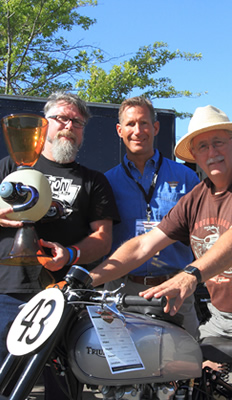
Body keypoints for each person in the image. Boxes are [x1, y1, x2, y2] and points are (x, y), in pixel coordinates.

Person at [90, 105, 232, 399]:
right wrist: (87, 279)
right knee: (185, 386)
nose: (212, 152)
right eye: (202, 146)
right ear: (195, 155)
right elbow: (144, 244)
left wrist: (190, 274)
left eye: (218, 142)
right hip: (222, 318)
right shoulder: (195, 198)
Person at [0, 92, 120, 397]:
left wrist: (70, 254)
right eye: (61, 118)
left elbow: (102, 238)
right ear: (44, 124)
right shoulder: (9, 168)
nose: (69, 125)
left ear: (83, 133)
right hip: (5, 292)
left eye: (77, 122)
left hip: (64, 297)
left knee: (62, 390)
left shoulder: (94, 181)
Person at [104, 96, 200, 337]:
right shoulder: (106, 182)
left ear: (155, 128)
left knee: (186, 364)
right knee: (122, 365)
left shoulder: (186, 178)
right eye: (130, 124)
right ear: (119, 130)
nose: (138, 131)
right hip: (122, 289)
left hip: (174, 288)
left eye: (144, 123)